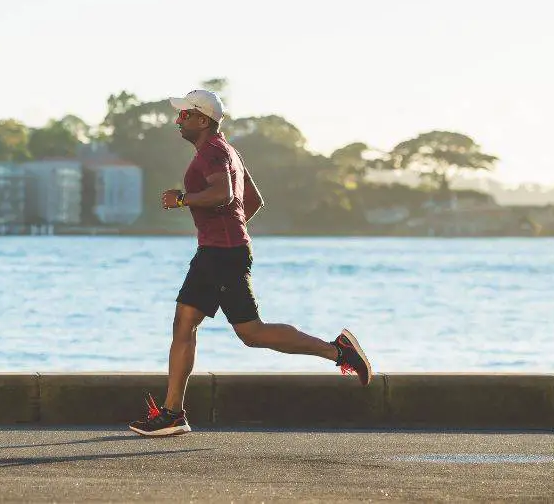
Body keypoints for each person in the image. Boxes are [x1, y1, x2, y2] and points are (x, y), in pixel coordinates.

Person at [129, 88, 373, 437]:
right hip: (218, 251)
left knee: (251, 332)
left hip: (221, 255)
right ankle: (172, 413)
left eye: (184, 115)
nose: (177, 120)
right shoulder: (227, 151)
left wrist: (183, 199)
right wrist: (228, 230)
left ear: (202, 119)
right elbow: (252, 201)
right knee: (186, 323)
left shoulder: (212, 152)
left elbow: (225, 195)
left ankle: (339, 352)